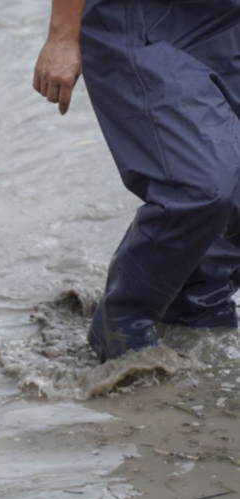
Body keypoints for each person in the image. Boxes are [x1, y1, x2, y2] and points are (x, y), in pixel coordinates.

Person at [33, 0, 240, 361]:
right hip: (138, 18)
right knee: (200, 186)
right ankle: (122, 322)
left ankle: (196, 306)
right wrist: (62, 36)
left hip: (225, 18)